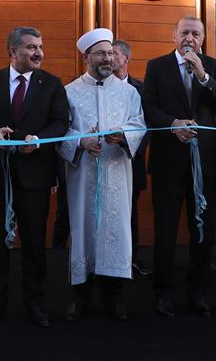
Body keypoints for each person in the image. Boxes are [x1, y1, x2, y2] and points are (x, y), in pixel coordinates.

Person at [0, 26, 70, 328]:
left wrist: (38, 140)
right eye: (31, 47)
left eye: (40, 46)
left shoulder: (52, 84)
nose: (39, 52)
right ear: (13, 51)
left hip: (35, 177)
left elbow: (61, 122)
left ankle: (35, 303)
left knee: (35, 244)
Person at [142, 16, 216, 318]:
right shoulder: (157, 66)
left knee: (203, 231)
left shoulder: (213, 66)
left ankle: (199, 290)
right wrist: (172, 124)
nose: (189, 38)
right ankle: (163, 292)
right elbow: (148, 108)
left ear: (203, 39)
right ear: (174, 36)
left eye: (196, 34)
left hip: (204, 162)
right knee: (166, 231)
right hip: (168, 161)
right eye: (184, 33)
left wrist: (203, 75)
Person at [59, 29, 146, 322]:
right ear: (87, 57)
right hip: (83, 174)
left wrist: (123, 136)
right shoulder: (70, 92)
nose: (108, 58)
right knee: (83, 231)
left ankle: (114, 297)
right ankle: (80, 297)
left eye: (110, 53)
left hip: (117, 172)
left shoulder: (128, 92)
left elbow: (139, 124)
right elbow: (61, 130)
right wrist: (81, 141)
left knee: (116, 232)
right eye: (101, 54)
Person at [112, 39, 152, 277]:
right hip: (103, 160)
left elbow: (147, 125)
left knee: (130, 212)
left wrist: (130, 146)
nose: (110, 57)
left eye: (114, 53)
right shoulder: (97, 86)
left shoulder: (142, 89)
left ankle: (132, 258)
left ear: (126, 59)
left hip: (131, 160)